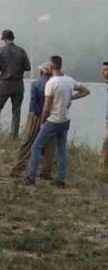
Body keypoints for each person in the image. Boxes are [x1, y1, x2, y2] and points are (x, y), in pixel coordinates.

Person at [26, 55, 90, 186]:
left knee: (36, 146)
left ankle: (31, 176)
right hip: (65, 120)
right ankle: (60, 178)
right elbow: (86, 91)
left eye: (48, 64)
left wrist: (43, 121)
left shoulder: (51, 83)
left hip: (53, 120)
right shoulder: (69, 80)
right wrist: (71, 98)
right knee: (61, 149)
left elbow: (47, 106)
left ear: (52, 67)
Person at [9, 60, 56, 180]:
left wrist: (36, 116)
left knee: (27, 142)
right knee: (49, 145)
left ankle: (17, 169)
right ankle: (46, 172)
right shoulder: (55, 85)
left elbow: (33, 104)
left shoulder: (35, 84)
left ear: (41, 71)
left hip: (35, 116)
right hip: (51, 118)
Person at [0, 29, 32, 137]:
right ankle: (14, 135)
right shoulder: (21, 50)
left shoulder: (0, 51)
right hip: (18, 84)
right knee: (16, 110)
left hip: (5, 84)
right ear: (13, 38)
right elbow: (28, 67)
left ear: (4, 39)